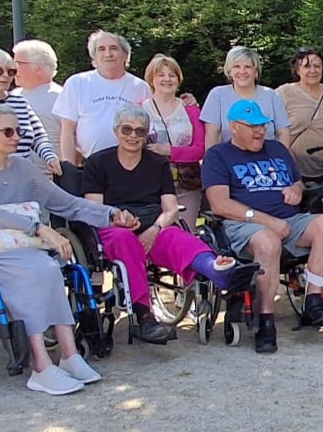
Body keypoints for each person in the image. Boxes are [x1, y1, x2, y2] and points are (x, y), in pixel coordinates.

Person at [0, 107, 122, 395]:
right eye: (7, 131)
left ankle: (69, 354)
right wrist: (39, 228)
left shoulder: (22, 166)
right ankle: (40, 366)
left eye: (18, 131)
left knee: (51, 268)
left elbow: (65, 202)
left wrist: (111, 214)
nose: (16, 137)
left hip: (18, 242)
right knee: (36, 270)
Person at [203, 99, 323, 351]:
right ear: (234, 126)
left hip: (288, 221)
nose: (260, 131)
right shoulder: (218, 155)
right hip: (244, 224)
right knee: (268, 241)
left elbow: (298, 182)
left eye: (262, 125)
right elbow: (219, 204)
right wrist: (267, 221)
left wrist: (296, 189)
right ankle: (266, 320)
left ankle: (313, 299)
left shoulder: (277, 149)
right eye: (253, 126)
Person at [79, 105, 225, 345]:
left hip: (152, 223)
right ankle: (144, 316)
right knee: (126, 241)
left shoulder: (157, 163)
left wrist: (155, 229)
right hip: (113, 227)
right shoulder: (98, 162)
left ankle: (218, 269)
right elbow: (94, 208)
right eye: (127, 129)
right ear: (116, 131)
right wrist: (118, 217)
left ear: (147, 134)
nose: (133, 136)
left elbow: (171, 208)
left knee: (179, 238)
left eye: (140, 131)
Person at [54, 30, 150, 165]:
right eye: (101, 49)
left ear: (125, 55)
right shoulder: (77, 83)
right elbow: (67, 131)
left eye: (113, 48)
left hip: (130, 164)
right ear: (94, 56)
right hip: (90, 164)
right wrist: (68, 167)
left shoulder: (140, 87)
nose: (108, 54)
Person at [137, 54, 206, 219]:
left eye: (172, 75)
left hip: (185, 183)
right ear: (151, 79)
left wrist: (169, 151)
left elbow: (201, 149)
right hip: (149, 184)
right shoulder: (138, 110)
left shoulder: (191, 110)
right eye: (161, 75)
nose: (167, 79)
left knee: (186, 230)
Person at [276, 47, 323, 179]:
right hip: (291, 169)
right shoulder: (283, 93)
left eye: (317, 66)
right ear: (297, 70)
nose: (313, 70)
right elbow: (272, 131)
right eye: (307, 66)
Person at [201, 46, 286, 146]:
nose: (242, 71)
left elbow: (283, 132)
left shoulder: (271, 95)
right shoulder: (217, 95)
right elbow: (211, 134)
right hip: (228, 155)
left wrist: (281, 154)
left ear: (256, 72)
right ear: (229, 71)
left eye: (248, 67)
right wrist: (213, 156)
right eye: (237, 66)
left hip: (268, 154)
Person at [12, 39, 63, 142]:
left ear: (38, 67)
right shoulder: (13, 96)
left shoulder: (60, 97)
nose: (12, 68)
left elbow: (79, 140)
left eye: (19, 63)